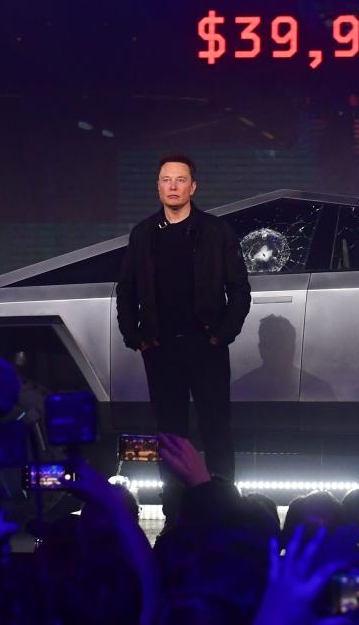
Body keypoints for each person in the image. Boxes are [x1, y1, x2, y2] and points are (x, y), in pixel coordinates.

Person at [116, 153, 251, 480]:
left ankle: (222, 505)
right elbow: (127, 288)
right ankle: (174, 506)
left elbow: (239, 289)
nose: (172, 186)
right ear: (158, 187)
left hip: (206, 345)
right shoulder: (143, 233)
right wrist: (135, 336)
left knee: (216, 426)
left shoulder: (216, 230)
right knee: (169, 431)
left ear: (193, 186)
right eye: (166, 180)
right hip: (160, 347)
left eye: (180, 180)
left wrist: (222, 334)